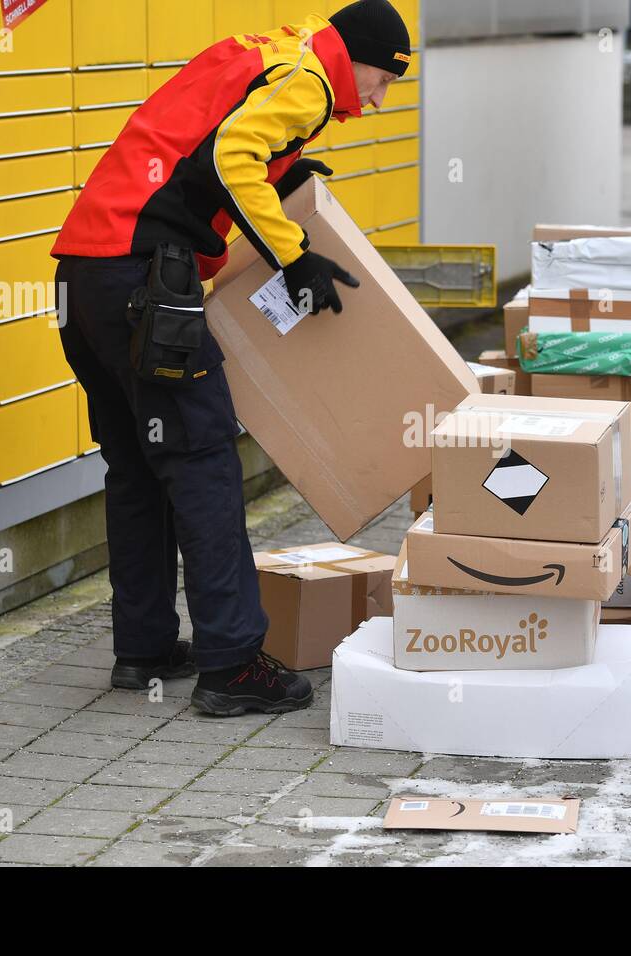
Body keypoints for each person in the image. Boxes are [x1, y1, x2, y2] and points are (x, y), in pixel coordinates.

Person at [50, 1, 411, 716]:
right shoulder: (308, 78)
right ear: (359, 56)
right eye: (383, 79)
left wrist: (279, 169)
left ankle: (145, 649)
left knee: (138, 466)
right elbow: (228, 156)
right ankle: (233, 665)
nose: (376, 98)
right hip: (148, 285)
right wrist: (295, 256)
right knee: (203, 458)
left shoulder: (268, 51)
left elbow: (202, 151)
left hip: (85, 276)